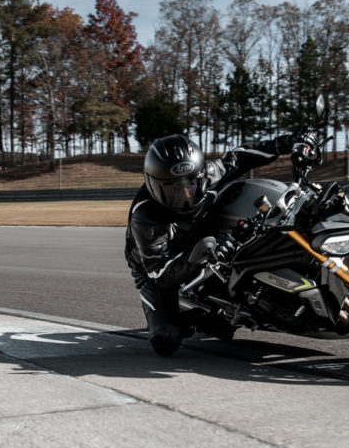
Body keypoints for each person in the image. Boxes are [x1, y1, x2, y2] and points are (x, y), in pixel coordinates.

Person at [125, 131, 315, 356]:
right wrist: (196, 255)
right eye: (172, 189)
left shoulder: (213, 173)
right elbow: (160, 274)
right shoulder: (145, 216)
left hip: (204, 235)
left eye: (192, 184)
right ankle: (200, 318)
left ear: (203, 175)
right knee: (166, 341)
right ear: (152, 185)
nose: (185, 194)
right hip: (157, 266)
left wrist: (287, 142)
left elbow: (241, 156)